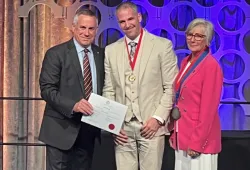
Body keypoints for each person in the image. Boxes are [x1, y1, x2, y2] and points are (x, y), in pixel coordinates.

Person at [102, 2, 179, 170]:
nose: (127, 24)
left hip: (151, 126)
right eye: (122, 21)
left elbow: (171, 87)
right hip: (122, 128)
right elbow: (109, 90)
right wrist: (113, 124)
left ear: (139, 17)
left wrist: (157, 119)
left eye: (130, 19)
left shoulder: (162, 46)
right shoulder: (110, 50)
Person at [39, 9, 104, 170]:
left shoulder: (101, 55)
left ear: (96, 30)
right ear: (74, 28)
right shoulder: (56, 53)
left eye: (91, 29)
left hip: (89, 131)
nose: (86, 33)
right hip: (60, 130)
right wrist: (73, 105)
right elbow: (47, 89)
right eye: (82, 27)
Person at [169, 18, 223, 170]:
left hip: (199, 140)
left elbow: (208, 110)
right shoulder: (186, 61)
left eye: (199, 36)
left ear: (207, 41)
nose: (193, 39)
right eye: (190, 34)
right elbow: (181, 100)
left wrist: (197, 142)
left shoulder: (211, 66)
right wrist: (175, 132)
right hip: (183, 134)